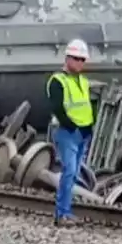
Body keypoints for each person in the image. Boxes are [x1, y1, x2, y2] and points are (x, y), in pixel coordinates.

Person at [48, 39, 96, 226]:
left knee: (74, 173)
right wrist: (72, 127)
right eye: (77, 58)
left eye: (82, 59)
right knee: (68, 172)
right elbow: (57, 108)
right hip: (67, 133)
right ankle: (62, 215)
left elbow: (86, 106)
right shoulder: (57, 81)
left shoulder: (83, 81)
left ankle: (66, 212)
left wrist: (88, 128)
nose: (80, 63)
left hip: (82, 133)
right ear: (67, 58)